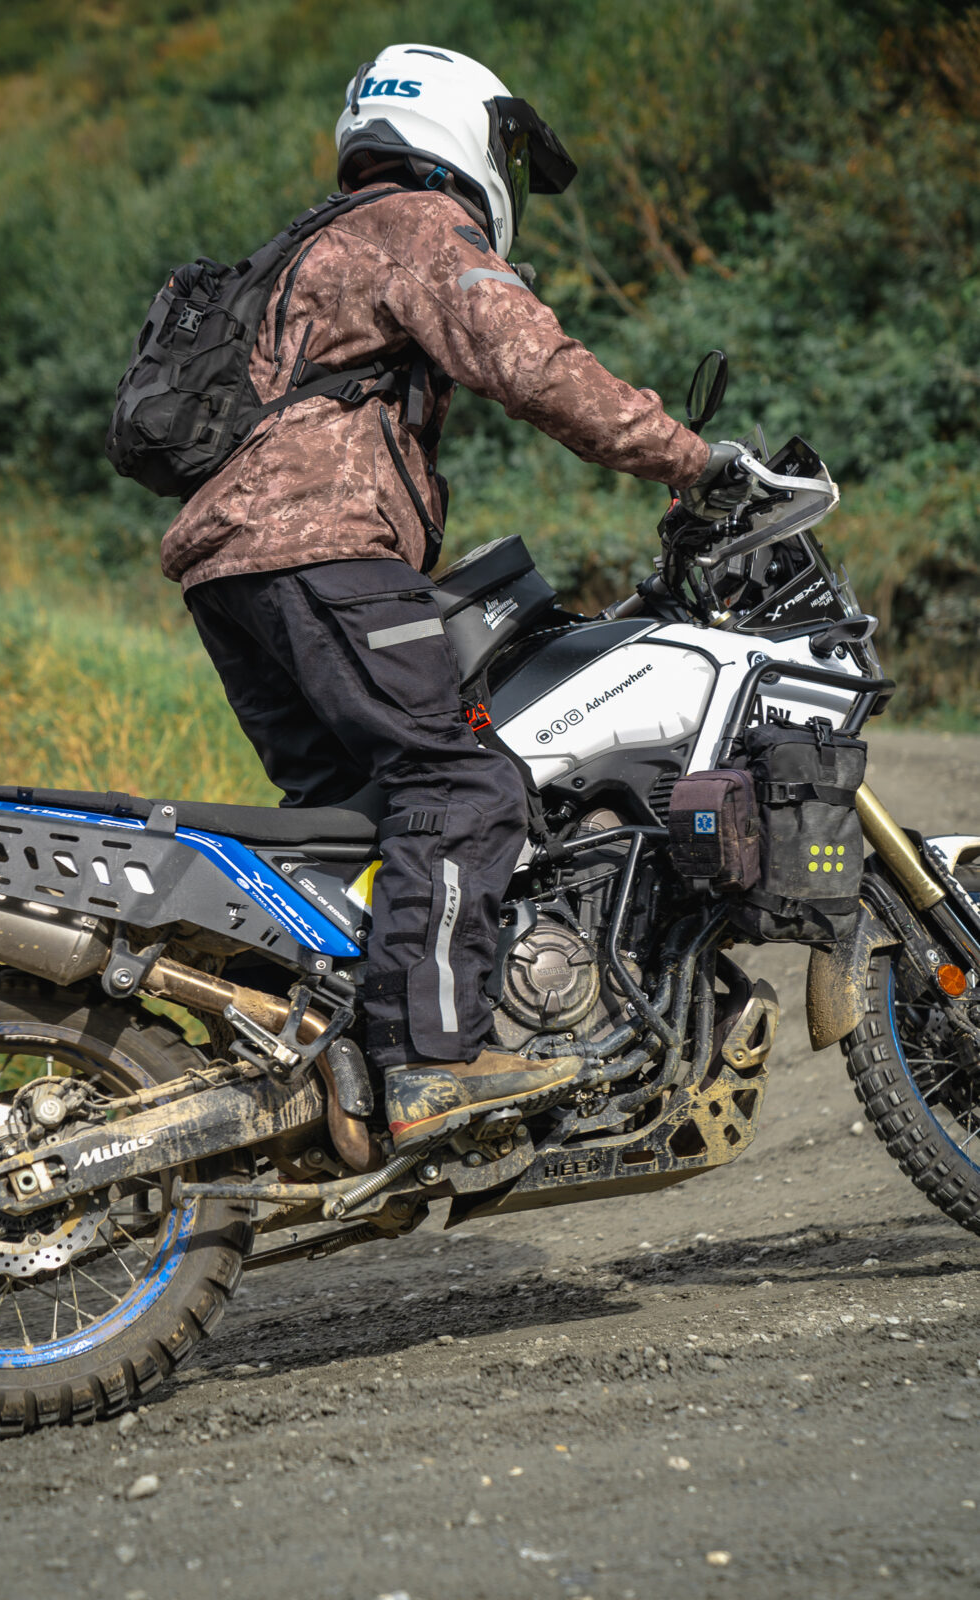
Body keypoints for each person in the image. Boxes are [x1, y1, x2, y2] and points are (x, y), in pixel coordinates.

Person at [160, 43, 742, 1154]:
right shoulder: (418, 227)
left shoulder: (310, 245)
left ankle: (320, 1066)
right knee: (460, 786)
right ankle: (428, 1062)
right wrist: (689, 458)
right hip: (319, 547)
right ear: (460, 130)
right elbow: (532, 364)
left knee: (354, 819)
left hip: (233, 569)